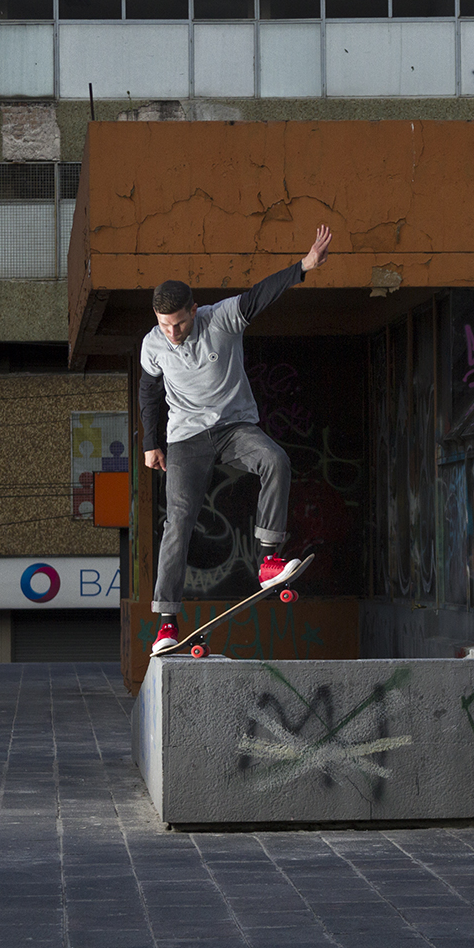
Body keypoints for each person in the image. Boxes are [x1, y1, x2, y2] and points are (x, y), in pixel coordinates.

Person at [139, 225, 331, 653]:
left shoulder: (222, 317)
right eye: (166, 326)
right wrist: (151, 443)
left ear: (194, 309)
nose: (174, 333)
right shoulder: (153, 344)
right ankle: (167, 623)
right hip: (186, 439)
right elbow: (148, 392)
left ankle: (268, 561)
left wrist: (303, 267)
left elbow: (260, 294)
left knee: (275, 460)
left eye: (181, 323)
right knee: (179, 522)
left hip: (233, 429)